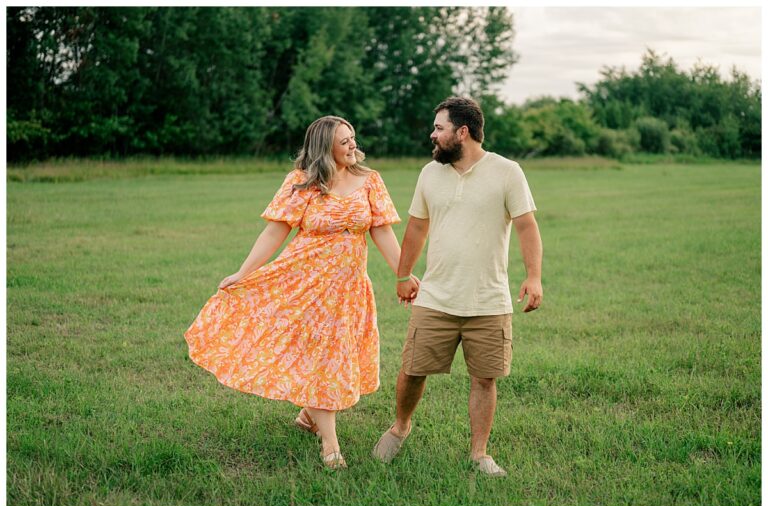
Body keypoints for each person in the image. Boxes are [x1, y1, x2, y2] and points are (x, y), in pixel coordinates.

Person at [185, 116, 412, 470]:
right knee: (323, 356)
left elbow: (382, 233)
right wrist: (244, 272)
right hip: (304, 283)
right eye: (344, 141)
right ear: (325, 148)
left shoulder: (370, 181)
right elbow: (274, 233)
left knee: (338, 355)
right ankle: (330, 443)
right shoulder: (302, 183)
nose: (353, 145)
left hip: (349, 287)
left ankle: (310, 414)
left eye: (353, 138)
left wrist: (405, 275)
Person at [374, 95, 544, 477]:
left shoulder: (507, 172)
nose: (432, 135)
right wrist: (403, 275)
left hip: (489, 299)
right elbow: (417, 227)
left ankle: (479, 453)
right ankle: (400, 427)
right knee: (413, 369)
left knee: (484, 378)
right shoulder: (429, 174)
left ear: (462, 132)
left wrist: (533, 276)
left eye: (439, 128)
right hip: (436, 296)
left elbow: (526, 226)